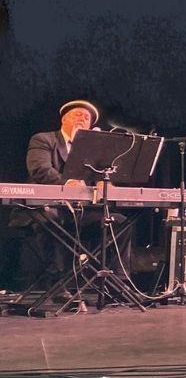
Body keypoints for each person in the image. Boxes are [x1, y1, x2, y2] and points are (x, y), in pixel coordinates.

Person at [15, 100, 133, 296]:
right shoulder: (44, 139)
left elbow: (100, 179)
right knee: (52, 218)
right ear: (64, 119)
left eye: (87, 118)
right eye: (78, 114)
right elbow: (39, 169)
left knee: (120, 222)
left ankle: (118, 283)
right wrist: (66, 183)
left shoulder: (92, 151)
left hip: (78, 212)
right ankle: (58, 283)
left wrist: (104, 183)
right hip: (44, 209)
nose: (83, 118)